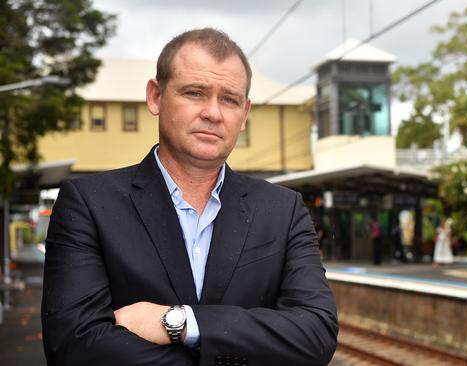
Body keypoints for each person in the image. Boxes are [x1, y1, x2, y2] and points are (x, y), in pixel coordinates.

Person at [41, 28, 338, 366]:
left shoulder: (283, 210)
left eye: (229, 99)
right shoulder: (88, 204)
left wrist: (182, 322)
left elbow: (316, 332)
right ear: (156, 97)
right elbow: (73, 346)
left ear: (245, 113)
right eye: (195, 93)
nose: (213, 113)